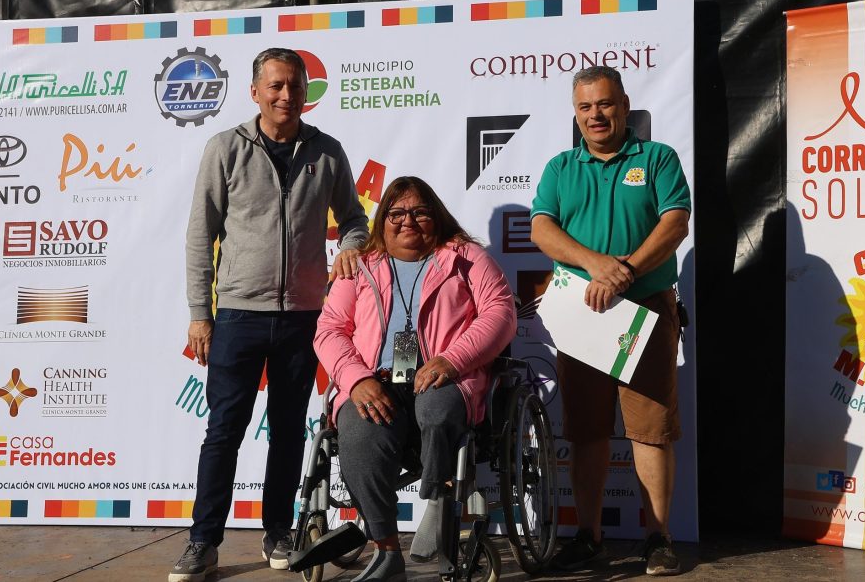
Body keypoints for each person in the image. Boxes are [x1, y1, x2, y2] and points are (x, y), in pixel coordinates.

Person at [170, 48, 370, 582]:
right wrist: (199, 313)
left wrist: (351, 245)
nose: (286, 96)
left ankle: (278, 530)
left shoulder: (326, 152)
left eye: (296, 87)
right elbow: (200, 236)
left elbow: (354, 219)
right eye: (276, 86)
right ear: (255, 91)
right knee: (223, 431)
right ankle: (203, 542)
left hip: (304, 318)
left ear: (308, 93)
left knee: (288, 432)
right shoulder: (225, 148)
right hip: (236, 315)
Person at [314, 176, 517, 582]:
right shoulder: (359, 265)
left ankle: (441, 497)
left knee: (436, 407)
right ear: (382, 221)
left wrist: (451, 360)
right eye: (397, 213)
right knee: (356, 427)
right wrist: (356, 380)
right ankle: (387, 552)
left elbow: (500, 312)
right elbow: (330, 329)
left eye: (420, 212)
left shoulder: (465, 258)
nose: (409, 221)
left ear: (436, 217)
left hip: (447, 378)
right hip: (378, 380)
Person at [530, 66, 691, 576]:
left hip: (644, 307)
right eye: (585, 107)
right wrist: (595, 264)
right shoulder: (560, 167)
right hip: (582, 310)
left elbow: (676, 222)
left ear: (624, 105)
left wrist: (624, 272)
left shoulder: (658, 158)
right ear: (575, 113)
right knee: (586, 432)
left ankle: (659, 537)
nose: (595, 115)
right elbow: (541, 228)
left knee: (650, 430)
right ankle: (589, 535)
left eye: (604, 104)